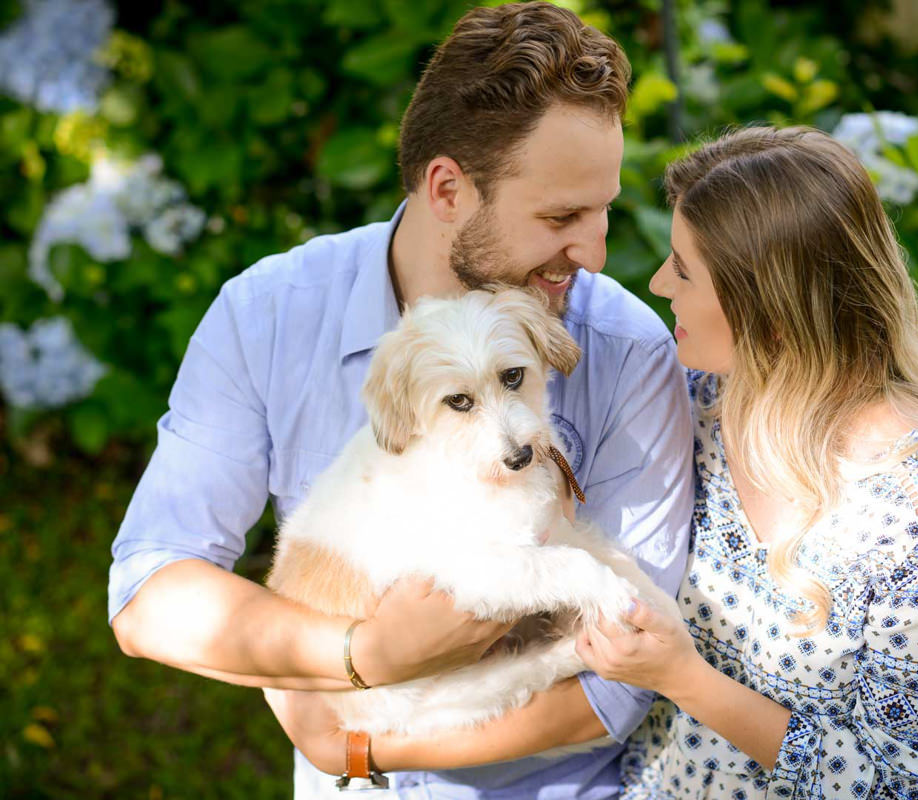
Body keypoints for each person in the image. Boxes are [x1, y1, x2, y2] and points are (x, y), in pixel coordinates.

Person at [107, 3, 693, 798]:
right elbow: (150, 588)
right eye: (561, 216)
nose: (592, 253)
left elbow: (629, 677)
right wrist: (363, 653)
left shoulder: (626, 349)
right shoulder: (270, 316)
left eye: (604, 211)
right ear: (447, 187)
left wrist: (357, 748)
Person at [571, 126, 918, 798]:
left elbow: (903, 787)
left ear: (772, 316)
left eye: (684, 268)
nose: (659, 281)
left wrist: (682, 676)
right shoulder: (695, 406)